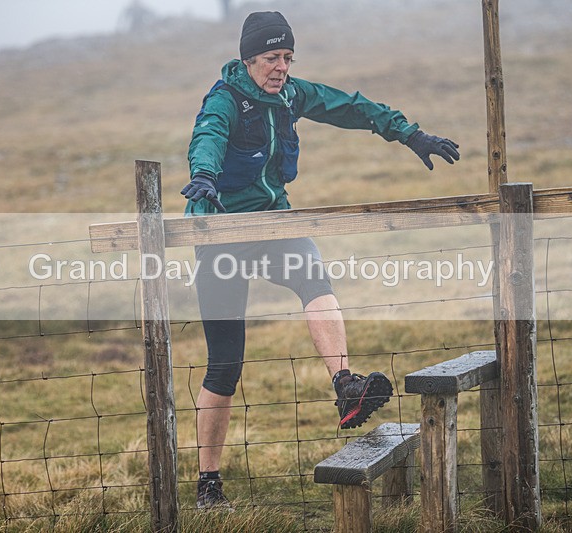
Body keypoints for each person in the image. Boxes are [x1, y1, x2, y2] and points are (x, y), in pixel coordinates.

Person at [181, 11, 460, 510]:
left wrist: (409, 134)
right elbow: (207, 136)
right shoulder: (226, 100)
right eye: (272, 57)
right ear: (249, 59)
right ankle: (209, 484)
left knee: (315, 279)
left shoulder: (291, 94)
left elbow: (349, 106)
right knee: (225, 364)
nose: (281, 67)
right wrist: (203, 176)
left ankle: (346, 385)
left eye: (288, 57)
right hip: (221, 232)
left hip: (275, 223)